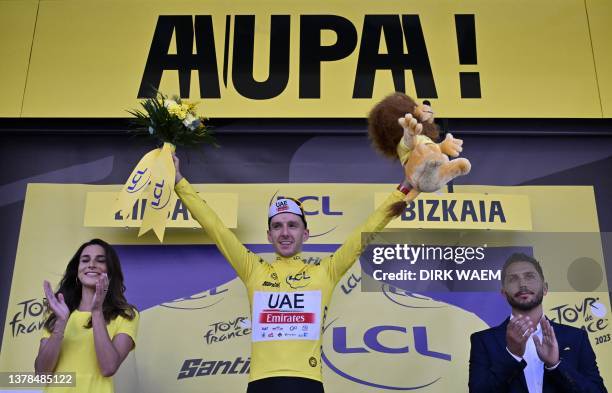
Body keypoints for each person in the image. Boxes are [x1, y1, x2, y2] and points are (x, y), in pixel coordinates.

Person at [173, 155, 415, 393]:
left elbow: (368, 229)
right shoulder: (253, 270)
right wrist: (178, 182)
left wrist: (404, 188)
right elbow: (214, 227)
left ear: (306, 234)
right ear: (269, 236)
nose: (285, 232)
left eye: (292, 225)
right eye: (277, 226)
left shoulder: (326, 271)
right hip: (261, 383)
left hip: (306, 382)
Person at [468, 253, 608, 393]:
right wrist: (512, 355)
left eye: (529, 276)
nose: (522, 284)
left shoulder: (577, 337)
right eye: (513, 279)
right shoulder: (483, 341)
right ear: (503, 293)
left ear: (545, 288)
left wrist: (555, 365)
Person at [35, 239, 139, 393]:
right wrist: (61, 324)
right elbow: (41, 375)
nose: (91, 265)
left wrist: (96, 311)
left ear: (110, 271)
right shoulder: (58, 312)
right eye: (85, 260)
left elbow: (108, 368)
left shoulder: (125, 315)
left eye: (100, 260)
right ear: (77, 270)